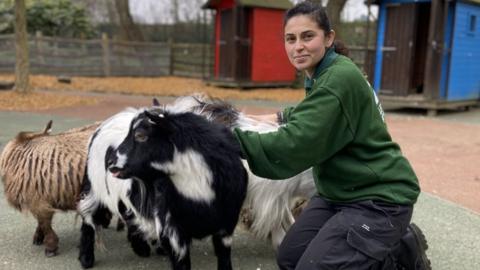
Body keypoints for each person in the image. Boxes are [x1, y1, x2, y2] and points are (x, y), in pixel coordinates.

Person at [233, 1, 431, 270]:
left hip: (378, 199)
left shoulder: (338, 78)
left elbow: (295, 143)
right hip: (340, 193)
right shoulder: (321, 73)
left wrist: (229, 140)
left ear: (329, 38)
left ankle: (402, 249)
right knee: (289, 258)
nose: (298, 46)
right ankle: (381, 253)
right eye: (290, 39)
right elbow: (315, 111)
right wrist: (278, 116)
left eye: (307, 36)